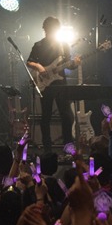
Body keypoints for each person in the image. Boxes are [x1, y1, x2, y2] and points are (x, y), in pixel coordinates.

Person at [26, 16, 80, 149]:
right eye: (49, 29)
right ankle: (47, 146)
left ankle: (68, 145)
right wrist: (39, 67)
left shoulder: (64, 45)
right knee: (46, 116)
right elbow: (29, 61)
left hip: (61, 84)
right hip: (46, 84)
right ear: (45, 29)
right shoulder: (38, 45)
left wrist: (75, 64)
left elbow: (68, 64)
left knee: (67, 115)